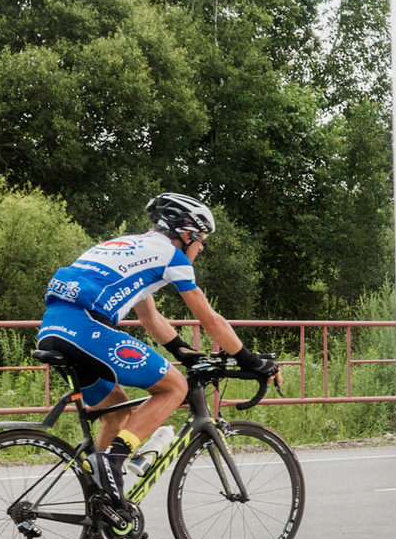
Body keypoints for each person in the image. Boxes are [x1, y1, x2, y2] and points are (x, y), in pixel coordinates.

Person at [37, 192, 273, 502]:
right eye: (202, 240)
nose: (202, 248)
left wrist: (182, 350)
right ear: (187, 234)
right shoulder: (172, 256)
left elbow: (149, 317)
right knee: (173, 387)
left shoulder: (129, 246)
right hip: (86, 328)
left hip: (52, 330)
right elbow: (210, 319)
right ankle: (113, 459)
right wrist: (250, 361)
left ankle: (103, 502)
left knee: (115, 412)